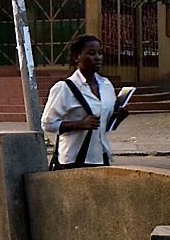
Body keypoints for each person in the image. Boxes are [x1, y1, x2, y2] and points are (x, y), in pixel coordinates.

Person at [41, 34, 129, 169]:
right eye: (91, 53)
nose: (98, 58)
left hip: (101, 156)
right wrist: (79, 124)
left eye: (100, 53)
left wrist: (118, 118)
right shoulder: (64, 88)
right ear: (77, 57)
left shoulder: (106, 85)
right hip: (74, 159)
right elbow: (47, 124)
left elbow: (103, 126)